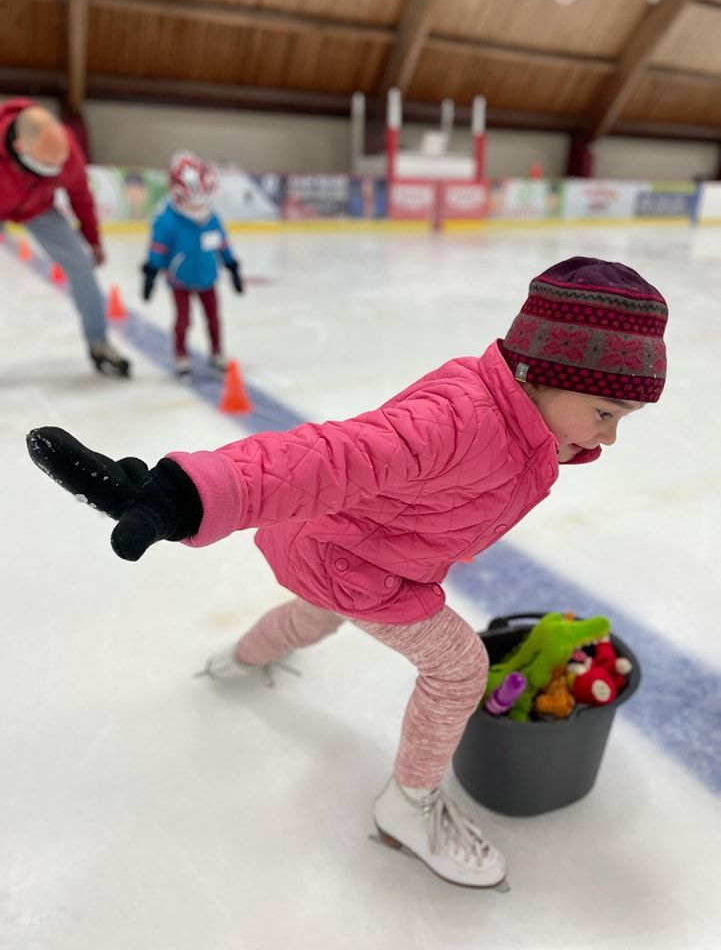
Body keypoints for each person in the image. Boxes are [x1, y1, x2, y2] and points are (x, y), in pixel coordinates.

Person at [26, 257, 668, 888]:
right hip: (356, 565)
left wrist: (571, 433)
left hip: (338, 552)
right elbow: (333, 456)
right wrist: (190, 493)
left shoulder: (519, 414)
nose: (608, 440)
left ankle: (241, 662)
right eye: (605, 414)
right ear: (540, 374)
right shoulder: (461, 419)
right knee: (460, 667)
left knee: (316, 617)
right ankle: (408, 805)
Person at [0, 99, 130, 377]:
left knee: (82, 266)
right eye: (48, 166)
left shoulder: (65, 149)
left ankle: (99, 343)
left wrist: (93, 240)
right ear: (21, 148)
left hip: (38, 208)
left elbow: (80, 196)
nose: (57, 172)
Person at [141, 151, 243, 379]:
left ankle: (217, 353)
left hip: (208, 277)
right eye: (191, 204)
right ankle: (181, 355)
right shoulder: (166, 220)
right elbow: (158, 248)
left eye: (202, 203)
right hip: (180, 280)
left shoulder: (212, 218)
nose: (197, 210)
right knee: (183, 320)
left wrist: (232, 265)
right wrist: (150, 271)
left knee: (214, 318)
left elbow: (222, 243)